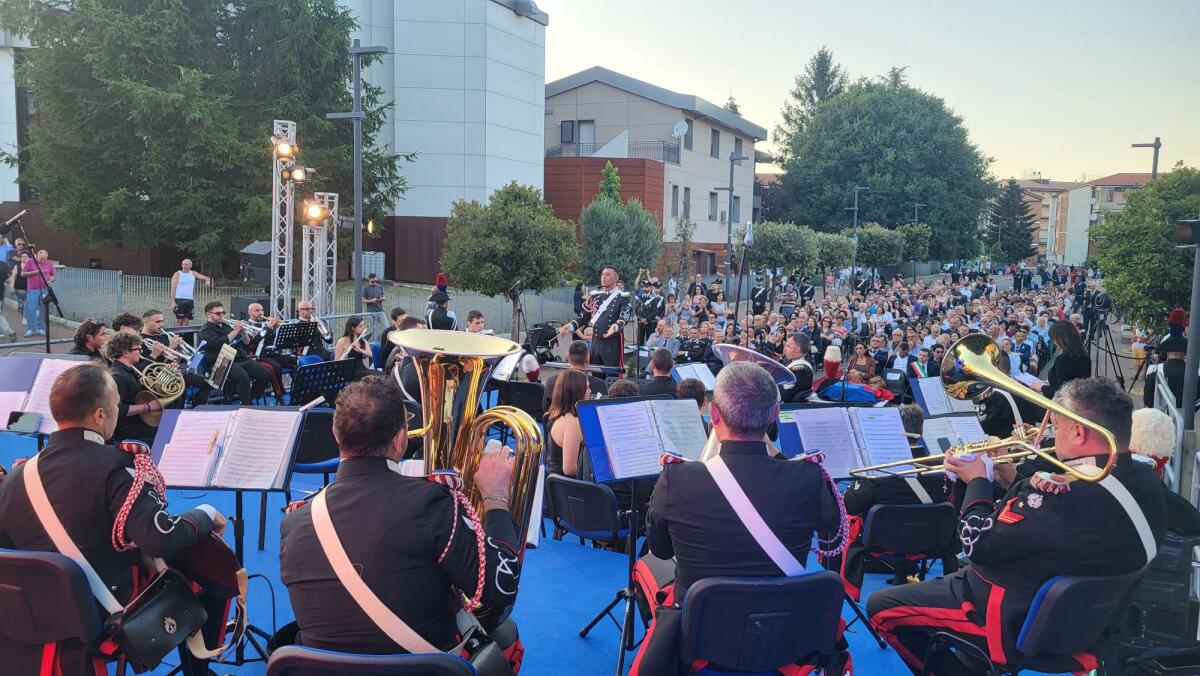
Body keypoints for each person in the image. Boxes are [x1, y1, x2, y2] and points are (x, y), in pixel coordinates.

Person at [868, 378, 1167, 675]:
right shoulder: (1148, 483)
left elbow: (974, 543)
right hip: (1087, 625)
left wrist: (978, 481)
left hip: (1006, 617)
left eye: (1058, 425)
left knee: (882, 607)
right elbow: (1062, 527)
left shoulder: (1057, 496)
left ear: (1078, 431)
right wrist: (1012, 481)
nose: (1052, 432)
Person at [0, 364, 229, 675]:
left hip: (33, 614)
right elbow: (161, 537)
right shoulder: (116, 467)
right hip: (102, 613)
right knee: (208, 567)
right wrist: (205, 514)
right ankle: (199, 669)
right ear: (99, 416)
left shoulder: (15, 477)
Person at [279, 377, 523, 663]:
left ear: (336, 435)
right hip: (426, 671)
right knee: (506, 635)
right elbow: (501, 588)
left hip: (323, 672)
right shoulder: (430, 503)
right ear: (399, 439)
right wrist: (495, 496)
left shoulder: (293, 522)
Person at [634, 361, 842, 673]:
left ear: (714, 414)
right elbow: (831, 530)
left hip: (702, 633)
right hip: (783, 630)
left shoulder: (676, 478)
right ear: (774, 415)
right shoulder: (809, 478)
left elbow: (662, 550)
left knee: (647, 563)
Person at [829, 405, 953, 599]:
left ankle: (835, 589)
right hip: (929, 542)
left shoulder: (879, 468)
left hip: (881, 543)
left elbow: (851, 505)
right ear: (921, 429)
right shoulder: (942, 468)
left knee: (838, 515)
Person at [198, 301, 273, 404]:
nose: (222, 315)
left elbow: (247, 343)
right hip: (221, 361)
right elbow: (220, 343)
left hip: (240, 358)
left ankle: (249, 398)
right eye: (218, 313)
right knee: (243, 378)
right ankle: (246, 405)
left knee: (266, 375)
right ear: (208, 314)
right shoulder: (205, 330)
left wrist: (243, 333)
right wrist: (236, 330)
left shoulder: (225, 326)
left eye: (223, 313)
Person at [561, 265, 631, 368]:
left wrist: (615, 326)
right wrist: (570, 326)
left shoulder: (622, 297)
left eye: (607, 275)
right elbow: (583, 317)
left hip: (611, 344)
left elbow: (624, 316)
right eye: (602, 274)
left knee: (611, 377)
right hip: (595, 342)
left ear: (616, 278)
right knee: (596, 376)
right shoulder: (595, 296)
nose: (603, 277)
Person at [143, 308, 215, 406]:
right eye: (158, 322)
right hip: (159, 378)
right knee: (181, 390)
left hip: (173, 373)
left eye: (162, 321)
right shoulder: (142, 341)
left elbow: (175, 360)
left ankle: (197, 409)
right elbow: (149, 367)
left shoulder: (161, 337)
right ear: (145, 322)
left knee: (207, 383)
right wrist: (171, 347)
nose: (162, 325)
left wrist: (178, 350)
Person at [104, 331, 162, 444]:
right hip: (131, 432)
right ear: (126, 352)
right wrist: (148, 407)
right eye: (138, 349)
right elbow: (117, 409)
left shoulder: (129, 370)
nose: (141, 352)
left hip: (139, 425)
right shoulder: (118, 376)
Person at [244, 302, 296, 398]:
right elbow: (252, 342)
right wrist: (268, 327)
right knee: (276, 367)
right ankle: (280, 395)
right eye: (257, 310)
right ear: (249, 312)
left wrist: (278, 329)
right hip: (258, 355)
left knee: (296, 361)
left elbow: (276, 340)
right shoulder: (246, 325)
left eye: (262, 310)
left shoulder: (265, 324)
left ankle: (297, 391)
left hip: (272, 354)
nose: (261, 312)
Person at [1029, 320, 1090, 398]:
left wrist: (1041, 387)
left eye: (1054, 339)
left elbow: (1060, 391)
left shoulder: (1064, 359)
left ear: (1061, 339)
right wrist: (1051, 381)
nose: (1054, 342)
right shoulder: (1083, 355)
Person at [546, 370, 590, 478]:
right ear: (578, 391)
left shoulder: (557, 414)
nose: (590, 391)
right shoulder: (572, 423)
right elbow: (569, 469)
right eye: (587, 387)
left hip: (559, 485)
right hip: (568, 489)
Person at [541, 340, 608, 410]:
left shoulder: (552, 381)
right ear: (588, 358)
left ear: (567, 357)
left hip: (557, 419)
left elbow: (545, 408)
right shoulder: (599, 385)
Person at [169, 258, 212, 327]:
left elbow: (206, 278)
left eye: (186, 264)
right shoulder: (177, 274)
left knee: (187, 320)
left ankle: (185, 336)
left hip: (189, 300)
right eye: (183, 264)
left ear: (190, 265)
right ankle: (178, 336)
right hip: (179, 299)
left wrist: (207, 281)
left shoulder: (193, 273)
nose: (184, 266)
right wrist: (173, 302)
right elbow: (173, 288)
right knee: (179, 320)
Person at [21, 248, 54, 337]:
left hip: (44, 289)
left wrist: (51, 280)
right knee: (31, 309)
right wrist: (36, 272)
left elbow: (52, 275)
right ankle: (30, 329)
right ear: (37, 255)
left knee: (43, 308)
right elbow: (23, 274)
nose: (43, 261)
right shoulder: (30, 262)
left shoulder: (49, 263)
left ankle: (41, 328)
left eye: (45, 259)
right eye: (42, 259)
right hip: (33, 289)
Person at [335, 315, 376, 381]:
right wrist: (344, 355)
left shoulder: (362, 341)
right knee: (376, 377)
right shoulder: (342, 341)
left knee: (382, 375)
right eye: (360, 326)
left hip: (362, 369)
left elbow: (370, 355)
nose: (363, 328)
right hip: (349, 372)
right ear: (352, 328)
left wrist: (360, 350)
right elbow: (336, 361)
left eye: (363, 325)